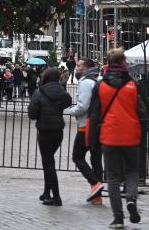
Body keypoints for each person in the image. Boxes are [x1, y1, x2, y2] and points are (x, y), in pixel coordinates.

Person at [88, 47, 147, 229]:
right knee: (132, 172)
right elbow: (143, 111)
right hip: (131, 135)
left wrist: (91, 141)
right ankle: (131, 199)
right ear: (123, 62)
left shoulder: (101, 86)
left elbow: (94, 114)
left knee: (112, 177)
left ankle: (118, 218)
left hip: (110, 135)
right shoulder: (132, 85)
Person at [28, 67, 72, 206]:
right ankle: (47, 192)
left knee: (48, 165)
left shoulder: (39, 92)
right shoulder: (62, 92)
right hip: (58, 132)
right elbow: (68, 102)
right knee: (49, 162)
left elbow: (32, 114)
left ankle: (56, 197)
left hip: (45, 131)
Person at [64, 57, 103, 202]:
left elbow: (83, 105)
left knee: (77, 156)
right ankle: (97, 196)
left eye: (79, 65)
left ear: (85, 68)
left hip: (86, 126)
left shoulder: (86, 82)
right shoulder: (95, 81)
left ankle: (95, 183)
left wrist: (70, 110)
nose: (76, 67)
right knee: (96, 160)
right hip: (96, 124)